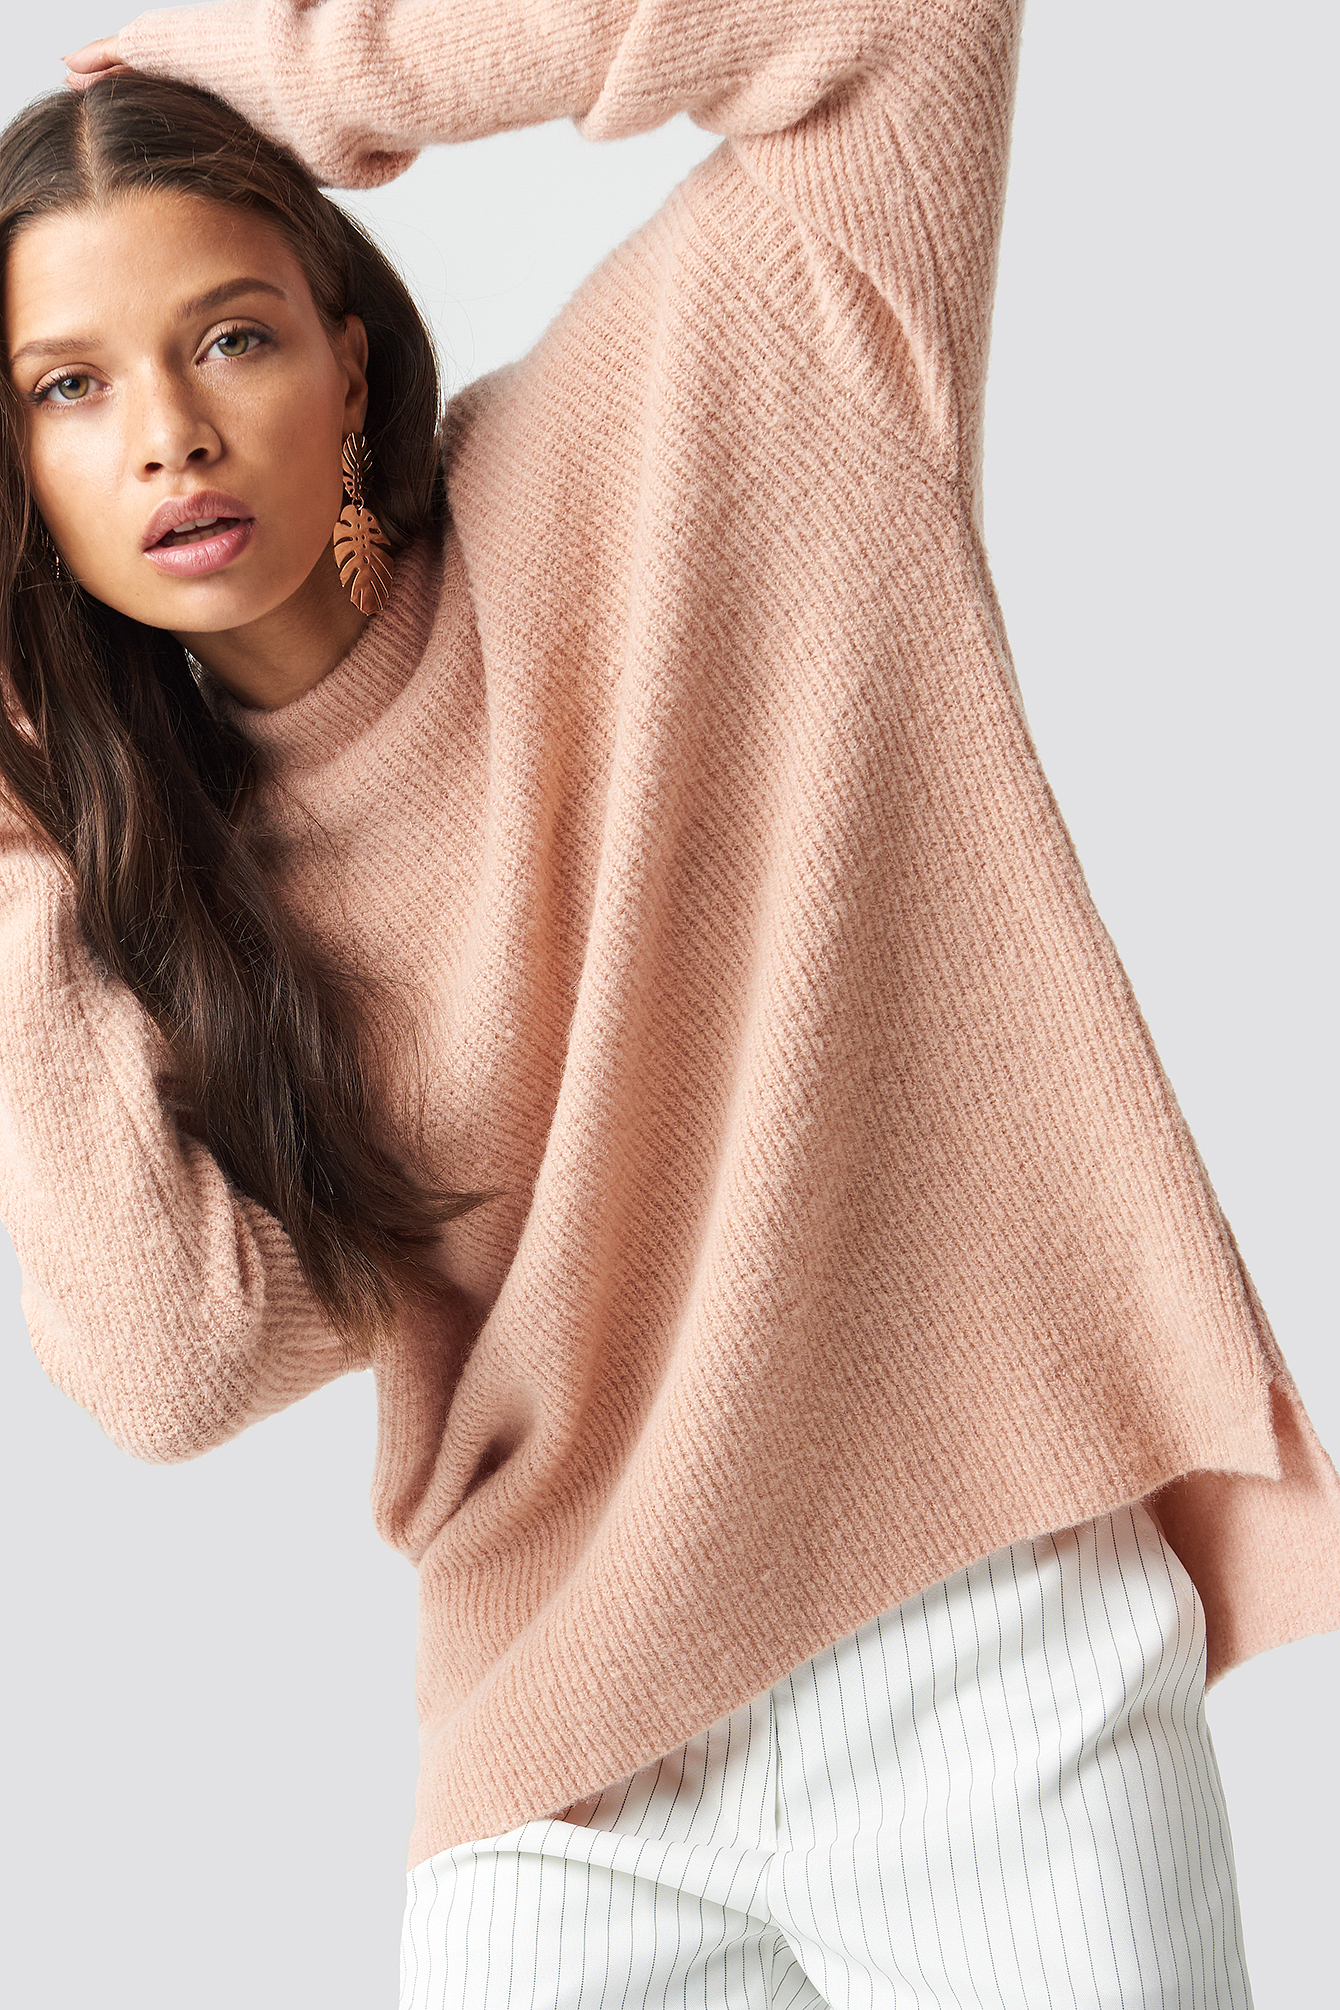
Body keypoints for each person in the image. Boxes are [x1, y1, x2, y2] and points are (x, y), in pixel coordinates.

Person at [0, 1, 1334, 2003]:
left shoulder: (697, 409)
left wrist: (290, 77)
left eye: (234, 334)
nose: (169, 432)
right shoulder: (153, 899)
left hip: (974, 1638)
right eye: (68, 386)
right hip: (560, 1760)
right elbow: (178, 1368)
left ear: (348, 358)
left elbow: (907, 20)